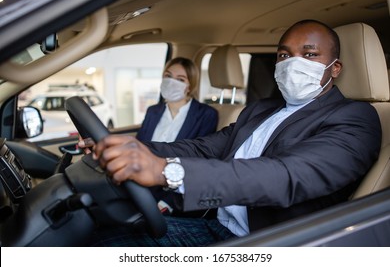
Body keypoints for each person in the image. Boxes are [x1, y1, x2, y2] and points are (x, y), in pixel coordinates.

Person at [81, 19, 382, 246]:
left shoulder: (355, 120)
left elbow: (284, 175)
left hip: (263, 243)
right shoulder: (261, 109)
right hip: (216, 225)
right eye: (283, 55)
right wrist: (125, 149)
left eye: (310, 54)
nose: (293, 64)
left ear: (336, 67)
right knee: (95, 233)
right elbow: (204, 148)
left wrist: (166, 171)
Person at [136, 57, 218, 215]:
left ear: (189, 86)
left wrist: (167, 203)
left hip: (171, 192)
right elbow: (139, 148)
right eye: (168, 76)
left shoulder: (206, 115)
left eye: (180, 79)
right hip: (140, 184)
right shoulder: (153, 112)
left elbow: (198, 164)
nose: (171, 82)